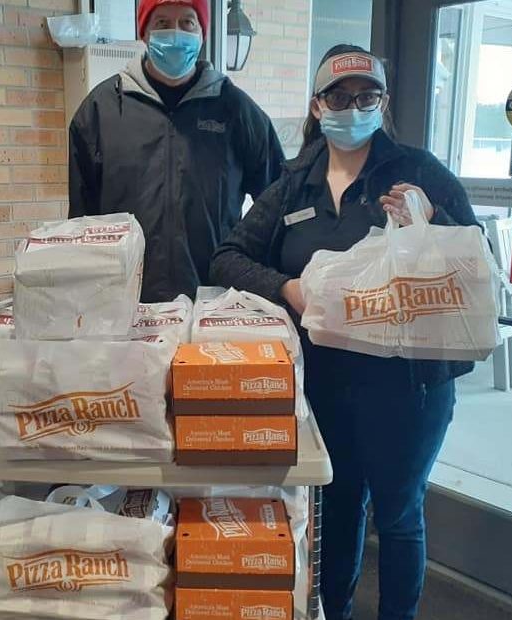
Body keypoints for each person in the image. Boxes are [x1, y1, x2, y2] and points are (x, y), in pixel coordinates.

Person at [210, 45, 480, 620]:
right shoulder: (293, 183)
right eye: (339, 96)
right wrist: (288, 288)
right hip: (324, 383)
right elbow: (228, 257)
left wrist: (435, 220)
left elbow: (474, 260)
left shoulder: (420, 172)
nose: (352, 107)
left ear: (381, 103)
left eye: (366, 96)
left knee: (400, 514)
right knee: (336, 506)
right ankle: (333, 610)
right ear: (318, 104)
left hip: (410, 387)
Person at [68, 0, 285, 302]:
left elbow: (277, 205)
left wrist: (261, 278)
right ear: (144, 33)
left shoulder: (237, 111)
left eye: (187, 23)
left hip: (213, 302)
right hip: (125, 305)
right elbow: (80, 223)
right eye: (162, 23)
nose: (175, 33)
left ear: (202, 34)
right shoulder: (100, 112)